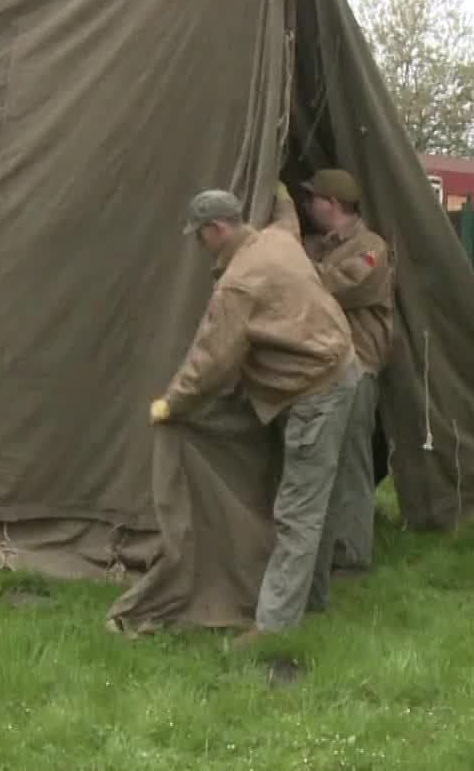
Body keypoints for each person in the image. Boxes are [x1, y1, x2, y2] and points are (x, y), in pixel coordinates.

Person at [150, 186, 360, 646]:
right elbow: (287, 215)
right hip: (342, 370)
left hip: (314, 390)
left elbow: (211, 359)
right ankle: (312, 598)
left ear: (216, 228)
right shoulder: (278, 237)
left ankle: (274, 627)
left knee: (297, 510)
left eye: (199, 235)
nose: (199, 245)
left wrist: (172, 402)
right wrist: (282, 194)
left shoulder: (239, 284)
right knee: (317, 495)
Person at [274, 168, 395, 573]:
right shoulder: (316, 246)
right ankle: (323, 550)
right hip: (319, 370)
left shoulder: (370, 247)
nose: (308, 206)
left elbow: (335, 285)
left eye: (313, 199)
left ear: (334, 203)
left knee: (349, 463)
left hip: (357, 367)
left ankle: (350, 554)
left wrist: (292, 262)